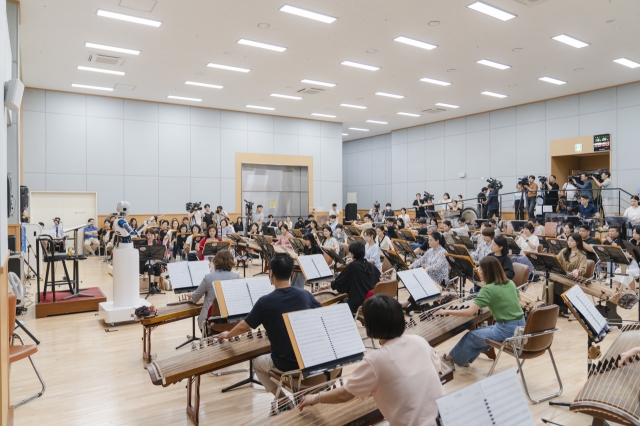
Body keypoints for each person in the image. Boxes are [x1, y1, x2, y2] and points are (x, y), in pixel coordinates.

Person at [297, 294, 444, 426]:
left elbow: (344, 394)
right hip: (444, 418)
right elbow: (437, 369)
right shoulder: (419, 341)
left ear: (371, 326)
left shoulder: (376, 360)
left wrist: (316, 398)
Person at [218, 254, 322, 411]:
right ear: (292, 274)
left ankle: (283, 400)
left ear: (270, 273)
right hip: (310, 360)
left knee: (257, 364)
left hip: (286, 365)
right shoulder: (305, 294)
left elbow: (243, 327)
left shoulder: (265, 302)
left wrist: (227, 335)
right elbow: (321, 314)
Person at [438, 256, 525, 369]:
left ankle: (448, 360)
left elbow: (470, 312)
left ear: (487, 271)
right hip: (521, 326)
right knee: (479, 334)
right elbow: (518, 300)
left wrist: (446, 311)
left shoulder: (488, 289)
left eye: (480, 268)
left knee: (471, 336)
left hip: (506, 331)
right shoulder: (510, 283)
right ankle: (463, 360)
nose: (478, 270)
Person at [188, 251, 239, 331]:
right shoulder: (237, 277)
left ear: (216, 261)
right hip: (231, 321)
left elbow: (195, 298)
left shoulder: (208, 277)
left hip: (210, 321)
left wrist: (192, 295)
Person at [402, 232, 450, 313]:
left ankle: (408, 304)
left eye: (430, 240)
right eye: (428, 240)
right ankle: (413, 304)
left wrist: (427, 269)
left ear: (437, 241)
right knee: (417, 282)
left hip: (440, 279)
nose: (428, 242)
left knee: (420, 283)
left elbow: (438, 266)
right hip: (430, 277)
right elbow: (422, 259)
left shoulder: (443, 252)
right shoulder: (430, 250)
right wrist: (411, 266)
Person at [330, 241, 381, 313]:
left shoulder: (353, 266)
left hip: (359, 303)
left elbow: (339, 282)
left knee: (339, 306)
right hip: (372, 302)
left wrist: (329, 285)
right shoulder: (371, 266)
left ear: (352, 254)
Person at [139, 230, 163, 294]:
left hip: (153, 262)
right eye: (148, 235)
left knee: (158, 268)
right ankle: (151, 286)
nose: (150, 236)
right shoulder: (142, 244)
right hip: (144, 263)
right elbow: (139, 255)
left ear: (154, 236)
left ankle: (156, 285)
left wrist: (158, 260)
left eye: (151, 235)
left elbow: (158, 255)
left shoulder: (156, 244)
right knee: (150, 267)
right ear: (146, 235)